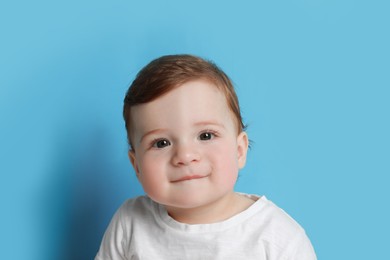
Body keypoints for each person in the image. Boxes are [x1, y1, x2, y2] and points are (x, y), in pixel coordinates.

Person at [95, 54, 317, 260]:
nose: (185, 156)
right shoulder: (130, 223)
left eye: (206, 135)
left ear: (239, 150)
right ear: (137, 167)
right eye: (161, 143)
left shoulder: (277, 237)